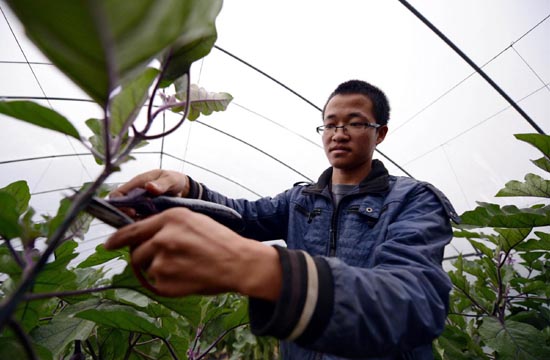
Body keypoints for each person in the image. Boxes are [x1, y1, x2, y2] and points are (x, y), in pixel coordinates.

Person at [105, 80, 460, 359]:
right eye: (330, 125)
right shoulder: (300, 200)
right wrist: (186, 190)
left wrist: (272, 272)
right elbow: (242, 218)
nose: (338, 134)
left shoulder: (413, 199)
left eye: (354, 123)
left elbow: (416, 303)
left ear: (380, 133)